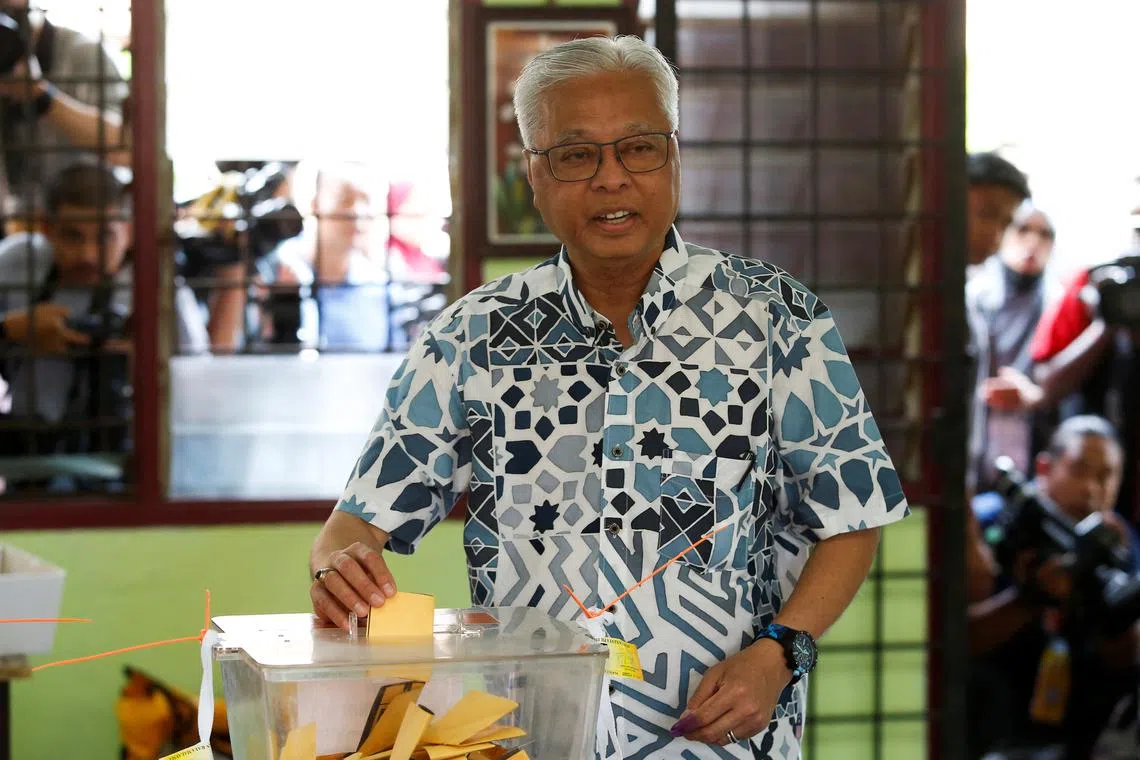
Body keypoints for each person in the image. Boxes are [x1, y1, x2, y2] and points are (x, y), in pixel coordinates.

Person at [309, 35, 909, 759]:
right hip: (532, 738)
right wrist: (338, 571)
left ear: (676, 154)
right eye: (575, 154)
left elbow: (853, 516)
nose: (611, 178)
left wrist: (782, 650)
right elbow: (354, 527)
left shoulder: (775, 316)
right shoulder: (473, 337)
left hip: (723, 738)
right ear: (534, 173)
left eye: (639, 148)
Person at [0, 162, 206, 471]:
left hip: (128, 458)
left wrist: (141, 354)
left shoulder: (159, 290)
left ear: (129, 231)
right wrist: (9, 330)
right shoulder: (17, 263)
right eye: (72, 236)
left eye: (104, 237)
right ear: (46, 228)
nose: (88, 255)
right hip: (25, 451)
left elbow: (198, 383)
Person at [968, 416, 1139, 759]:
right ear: (1044, 467)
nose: (1091, 488)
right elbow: (956, 643)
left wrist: (1097, 601)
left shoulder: (1115, 543)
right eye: (1079, 470)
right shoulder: (991, 519)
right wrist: (1030, 599)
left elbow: (1125, 657)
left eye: (1106, 477)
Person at [0, 1, 129, 228]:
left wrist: (41, 95)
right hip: (19, 228)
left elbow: (127, 148)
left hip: (86, 229)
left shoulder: (82, 54)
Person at [966, 201, 1060, 492]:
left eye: (1044, 234)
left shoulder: (1059, 303)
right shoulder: (976, 295)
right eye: (1022, 229)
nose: (1033, 241)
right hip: (977, 437)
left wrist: (1034, 395)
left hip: (1034, 443)